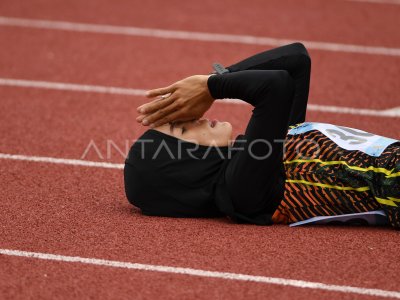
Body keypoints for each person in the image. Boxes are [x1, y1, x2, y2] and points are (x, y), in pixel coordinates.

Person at [124, 43, 400, 228]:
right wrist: (211, 87)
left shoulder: (268, 157)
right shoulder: (241, 191)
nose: (196, 117)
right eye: (182, 128)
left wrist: (218, 77)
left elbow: (296, 60)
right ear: (184, 166)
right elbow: (275, 86)